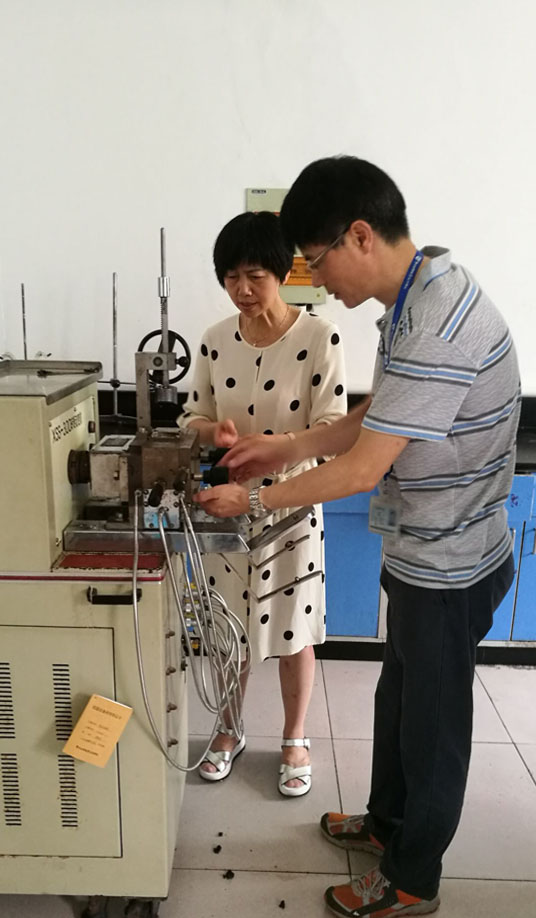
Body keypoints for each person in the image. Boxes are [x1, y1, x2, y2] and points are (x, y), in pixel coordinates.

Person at [198, 156, 519, 918]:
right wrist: (283, 447)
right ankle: (386, 823)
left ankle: (411, 877)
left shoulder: (437, 320)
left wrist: (253, 497)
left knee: (432, 727)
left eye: (316, 261)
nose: (315, 280)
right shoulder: (415, 298)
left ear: (361, 235)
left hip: (450, 564)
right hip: (421, 552)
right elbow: (378, 416)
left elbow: (364, 467)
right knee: (398, 699)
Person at [179, 211, 347, 797]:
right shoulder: (214, 339)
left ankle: (295, 736)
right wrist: (214, 431)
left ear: (281, 273)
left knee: (294, 629)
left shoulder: (319, 337)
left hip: (292, 506)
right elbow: (191, 417)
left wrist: (275, 450)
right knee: (229, 626)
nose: (243, 290)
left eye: (255, 276)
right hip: (227, 504)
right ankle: (228, 729)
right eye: (231, 277)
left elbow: (332, 429)